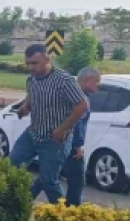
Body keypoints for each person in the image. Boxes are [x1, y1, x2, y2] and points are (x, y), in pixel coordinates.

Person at [9, 44, 89, 203]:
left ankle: (62, 218)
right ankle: (14, 204)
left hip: (54, 140)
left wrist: (62, 129)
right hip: (33, 134)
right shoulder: (31, 79)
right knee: (10, 166)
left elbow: (82, 106)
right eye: (28, 63)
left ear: (47, 59)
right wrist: (25, 107)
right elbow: (32, 97)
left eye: (35, 63)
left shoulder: (64, 80)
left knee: (48, 181)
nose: (30, 67)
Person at [61, 67, 101, 206]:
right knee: (77, 178)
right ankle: (71, 210)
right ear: (87, 80)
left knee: (49, 176)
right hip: (69, 143)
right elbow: (76, 123)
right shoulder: (80, 98)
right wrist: (77, 145)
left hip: (62, 140)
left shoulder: (72, 93)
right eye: (96, 81)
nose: (98, 85)